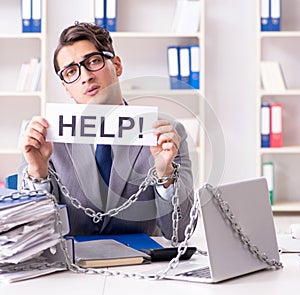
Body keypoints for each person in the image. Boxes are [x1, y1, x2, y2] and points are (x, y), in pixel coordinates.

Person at [19, 22, 195, 242]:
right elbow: (32, 239)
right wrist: (37, 172)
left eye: (93, 61)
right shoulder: (43, 138)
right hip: (70, 271)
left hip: (142, 267)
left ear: (117, 66)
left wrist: (165, 173)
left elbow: (181, 232)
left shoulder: (166, 134)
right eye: (71, 71)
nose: (85, 77)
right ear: (66, 87)